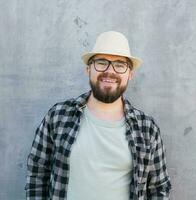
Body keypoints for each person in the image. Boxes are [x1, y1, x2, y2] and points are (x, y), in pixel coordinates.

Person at [25, 31, 172, 200]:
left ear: (130, 74)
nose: (110, 71)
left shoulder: (147, 129)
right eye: (101, 63)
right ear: (88, 69)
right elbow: (37, 174)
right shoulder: (58, 116)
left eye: (120, 64)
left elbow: (158, 188)